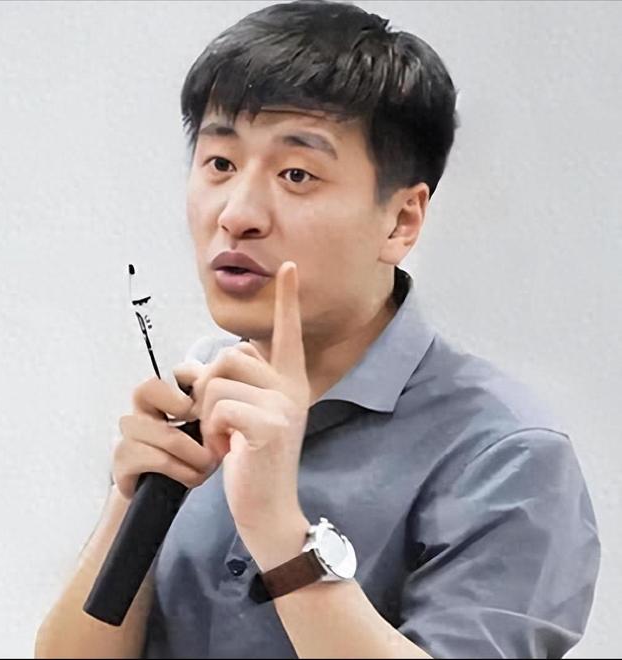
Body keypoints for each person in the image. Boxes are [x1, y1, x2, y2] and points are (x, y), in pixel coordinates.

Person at [34, 1, 600, 658]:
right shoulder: (202, 394)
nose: (237, 214)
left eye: (296, 174)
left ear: (401, 221)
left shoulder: (506, 456)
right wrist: (129, 505)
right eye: (219, 164)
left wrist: (280, 533)